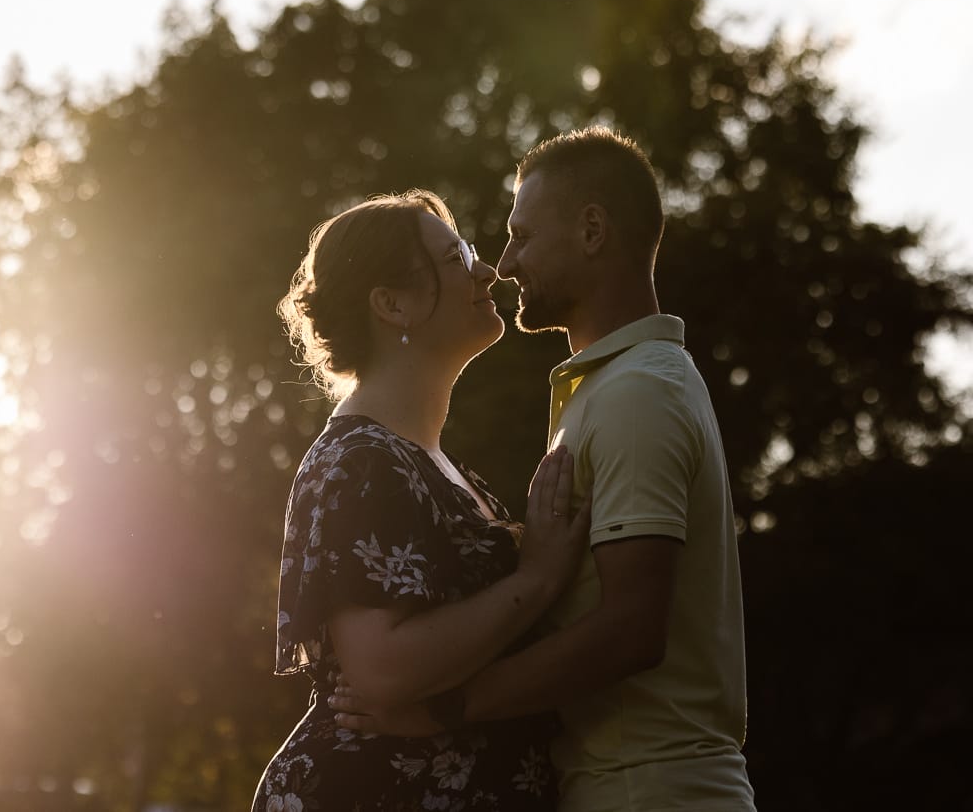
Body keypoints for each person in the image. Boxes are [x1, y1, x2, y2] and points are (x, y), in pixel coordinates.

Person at [333, 128, 757, 811]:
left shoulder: (637, 391)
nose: (504, 263)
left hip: (653, 790)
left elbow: (631, 629)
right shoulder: (609, 389)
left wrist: (445, 708)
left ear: (592, 230)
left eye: (522, 235)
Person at [252, 190, 590, 812]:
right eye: (457, 257)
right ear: (393, 304)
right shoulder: (359, 463)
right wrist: (537, 579)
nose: (487, 270)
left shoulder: (434, 466)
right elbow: (384, 670)